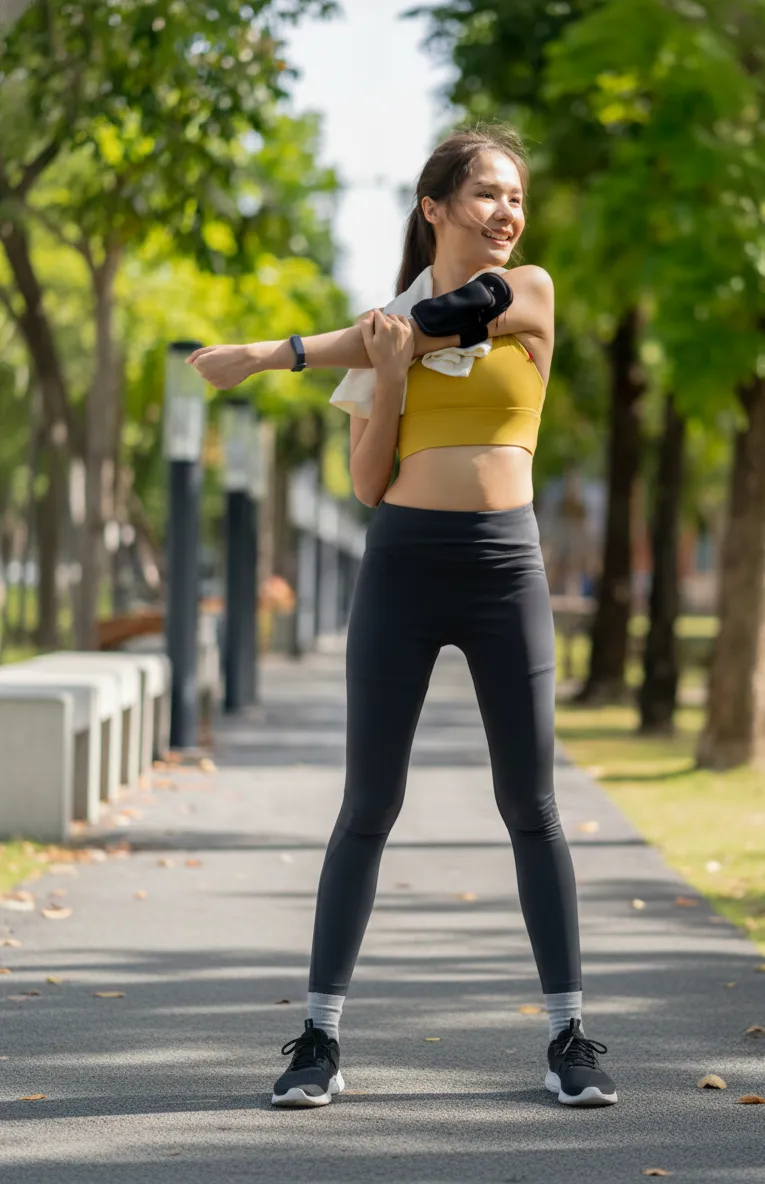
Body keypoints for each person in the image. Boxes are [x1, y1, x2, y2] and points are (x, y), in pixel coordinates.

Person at [188, 125, 618, 1110]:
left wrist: (271, 354)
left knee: (533, 803)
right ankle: (319, 1036)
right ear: (435, 204)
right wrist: (381, 377)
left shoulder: (527, 292)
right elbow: (370, 482)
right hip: (404, 564)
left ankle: (569, 1035)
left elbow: (447, 319)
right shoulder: (381, 333)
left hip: (507, 563)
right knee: (368, 802)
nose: (508, 212)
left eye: (516, 194)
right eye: (486, 194)